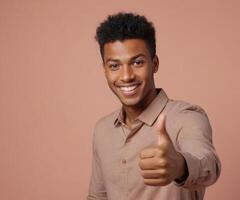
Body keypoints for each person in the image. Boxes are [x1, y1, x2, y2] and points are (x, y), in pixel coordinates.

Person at [87, 12, 221, 200]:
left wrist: (180, 166)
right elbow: (97, 197)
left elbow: (209, 164)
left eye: (137, 62)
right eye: (114, 66)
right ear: (105, 70)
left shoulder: (186, 117)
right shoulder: (103, 129)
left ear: (154, 63)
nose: (126, 76)